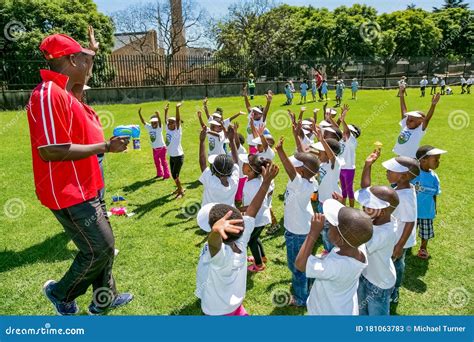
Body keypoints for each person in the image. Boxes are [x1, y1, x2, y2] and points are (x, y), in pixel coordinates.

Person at [28, 33, 133, 316]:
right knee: (99, 249)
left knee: (105, 246)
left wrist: (93, 53)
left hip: (88, 185)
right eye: (84, 58)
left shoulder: (66, 92)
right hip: (69, 190)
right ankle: (60, 293)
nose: (89, 65)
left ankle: (104, 299)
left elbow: (82, 78)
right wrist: (105, 147)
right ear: (72, 59)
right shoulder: (48, 94)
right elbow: (49, 150)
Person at [195, 163, 279, 315]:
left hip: (216, 310)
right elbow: (253, 209)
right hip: (236, 305)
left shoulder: (221, 256)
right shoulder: (242, 239)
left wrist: (216, 232)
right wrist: (265, 183)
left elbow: (214, 245)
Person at [295, 199, 373, 315]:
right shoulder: (359, 247)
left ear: (339, 240)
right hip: (344, 308)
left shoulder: (335, 266)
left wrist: (313, 232)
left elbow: (300, 264)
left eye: (330, 226)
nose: (327, 226)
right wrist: (343, 212)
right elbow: (355, 227)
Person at [275, 136, 320, 307]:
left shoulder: (300, 184)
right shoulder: (309, 180)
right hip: (301, 227)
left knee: (296, 266)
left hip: (297, 232)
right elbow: (303, 162)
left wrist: (280, 152)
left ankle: (301, 297)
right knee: (304, 261)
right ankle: (307, 286)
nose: (292, 166)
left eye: (295, 165)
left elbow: (291, 170)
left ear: (300, 172)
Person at [357, 150, 401, 315]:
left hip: (379, 284)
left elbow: (357, 247)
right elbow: (366, 190)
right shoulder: (381, 218)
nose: (363, 207)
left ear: (381, 211)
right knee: (361, 313)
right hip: (366, 275)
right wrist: (368, 165)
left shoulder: (382, 233)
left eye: (368, 206)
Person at [381, 156, 420, 304]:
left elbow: (409, 222)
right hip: (396, 236)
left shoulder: (405, 197)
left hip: (400, 239)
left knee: (396, 264)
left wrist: (399, 245)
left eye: (391, 170)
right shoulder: (401, 189)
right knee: (390, 263)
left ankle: (394, 290)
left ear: (403, 176)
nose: (387, 171)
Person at [411, 145, 447, 259]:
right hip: (412, 210)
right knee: (409, 229)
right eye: (435, 159)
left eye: (439, 159)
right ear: (423, 160)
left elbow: (435, 194)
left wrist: (434, 208)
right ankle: (405, 247)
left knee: (425, 232)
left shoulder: (434, 177)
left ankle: (423, 247)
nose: (438, 162)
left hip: (427, 211)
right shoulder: (414, 173)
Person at [239, 154, 273, 272]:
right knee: (255, 237)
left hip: (257, 218)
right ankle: (262, 257)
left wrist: (239, 210)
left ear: (249, 170)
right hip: (262, 217)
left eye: (244, 164)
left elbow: (254, 205)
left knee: (250, 240)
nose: (241, 166)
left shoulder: (251, 185)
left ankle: (258, 264)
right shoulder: (257, 180)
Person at [393, 84, 441, 158]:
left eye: (411, 120)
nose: (408, 121)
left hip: (411, 158)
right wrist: (401, 95)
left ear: (420, 121)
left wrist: (433, 105)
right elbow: (403, 110)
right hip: (399, 156)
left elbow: (427, 119)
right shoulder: (405, 126)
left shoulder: (419, 130)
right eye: (408, 119)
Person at [199, 123, 240, 207]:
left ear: (214, 170)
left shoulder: (211, 181)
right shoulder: (233, 181)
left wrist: (202, 141)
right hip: (228, 214)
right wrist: (231, 140)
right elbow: (236, 162)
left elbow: (202, 162)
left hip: (210, 215)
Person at [338, 105, 361, 207]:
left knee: (349, 190)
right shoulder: (342, 139)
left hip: (348, 169)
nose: (343, 132)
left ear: (353, 134)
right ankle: (343, 207)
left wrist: (343, 119)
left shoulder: (352, 140)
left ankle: (351, 209)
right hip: (341, 168)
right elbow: (339, 130)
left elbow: (346, 132)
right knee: (343, 190)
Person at [138, 107, 170, 180]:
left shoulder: (159, 127)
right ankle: (159, 173)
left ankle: (167, 175)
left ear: (158, 123)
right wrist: (139, 113)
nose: (153, 124)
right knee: (156, 162)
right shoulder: (149, 127)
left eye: (155, 122)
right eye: (152, 123)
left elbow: (160, 121)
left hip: (162, 148)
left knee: (163, 162)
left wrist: (158, 115)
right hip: (154, 149)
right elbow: (143, 122)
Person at [165, 102, 185, 198]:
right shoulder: (168, 129)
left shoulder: (177, 131)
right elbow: (165, 120)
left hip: (178, 156)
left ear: (176, 124)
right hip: (172, 156)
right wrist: (166, 111)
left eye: (171, 122)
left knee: (175, 175)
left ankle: (181, 191)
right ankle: (179, 188)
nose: (169, 124)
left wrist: (177, 108)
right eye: (168, 122)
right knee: (174, 175)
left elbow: (177, 119)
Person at [243, 90, 273, 155]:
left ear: (261, 114)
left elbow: (265, 112)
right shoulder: (252, 116)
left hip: (259, 145)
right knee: (252, 159)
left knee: (259, 159)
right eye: (253, 111)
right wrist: (245, 96)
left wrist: (268, 102)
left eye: (256, 112)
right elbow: (248, 106)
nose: (253, 113)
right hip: (251, 144)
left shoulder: (262, 119)